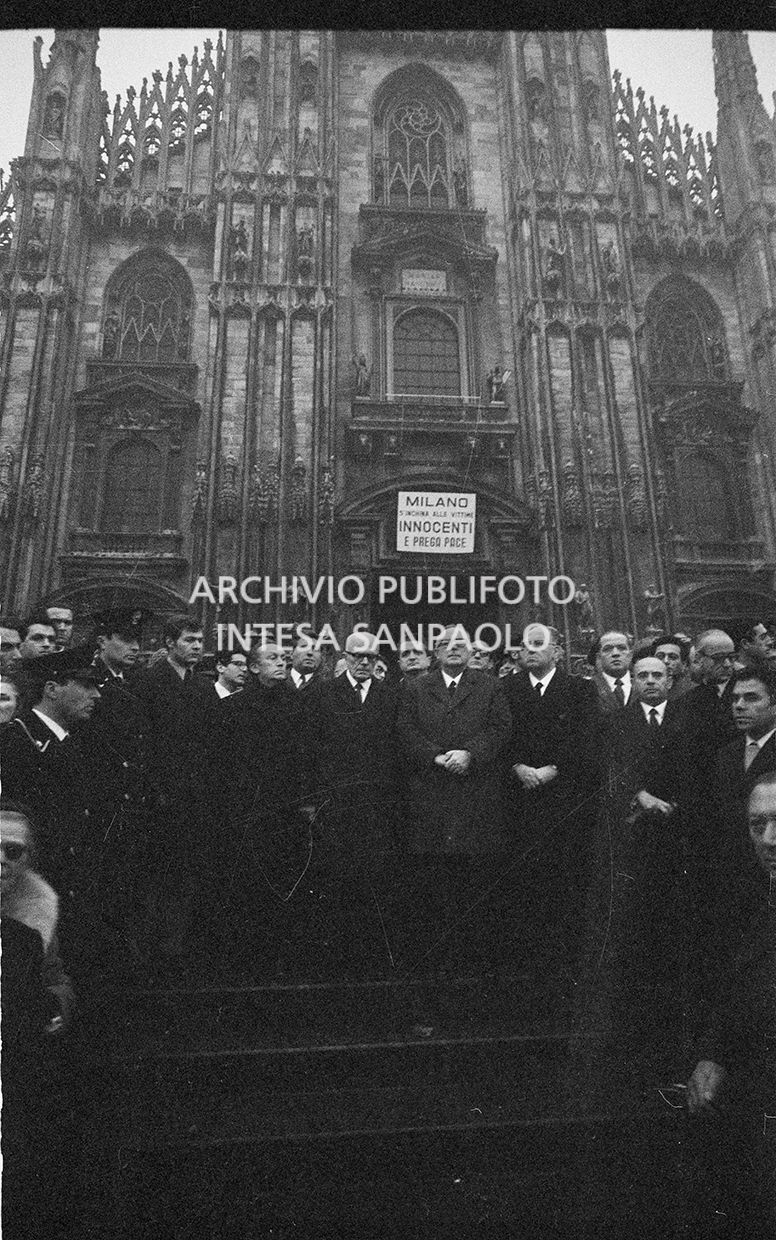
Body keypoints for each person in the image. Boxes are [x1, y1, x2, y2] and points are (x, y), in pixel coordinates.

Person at [684, 773, 776, 1239]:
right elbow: (745, 983)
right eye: (757, 824)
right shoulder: (757, 898)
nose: (769, 840)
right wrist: (713, 1051)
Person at [396, 625, 512, 972]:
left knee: (476, 884)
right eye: (445, 644)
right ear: (435, 652)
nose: (453, 649)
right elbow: (405, 729)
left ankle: (475, 964)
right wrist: (434, 756)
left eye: (460, 644)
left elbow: (500, 727)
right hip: (431, 795)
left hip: (476, 794)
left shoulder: (490, 685)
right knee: (434, 888)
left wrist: (470, 754)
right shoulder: (417, 688)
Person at [302, 631, 400, 977]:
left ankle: (370, 959)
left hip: (377, 805)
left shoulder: (391, 695)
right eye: (357, 656)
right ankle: (332, 959)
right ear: (344, 656)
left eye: (371, 657)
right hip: (335, 804)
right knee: (334, 880)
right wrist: (313, 801)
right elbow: (310, 750)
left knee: (375, 881)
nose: (364, 663)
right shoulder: (323, 693)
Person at [502, 622, 601, 959]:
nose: (529, 649)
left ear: (557, 651)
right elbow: (499, 737)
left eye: (538, 643)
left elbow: (586, 740)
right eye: (525, 644)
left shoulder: (579, 690)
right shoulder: (505, 688)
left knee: (565, 880)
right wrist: (517, 766)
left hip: (565, 797)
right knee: (522, 882)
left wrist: (552, 769)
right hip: (518, 797)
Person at [1, 800, 74, 1240]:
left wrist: (57, 1006)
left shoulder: (39, 902)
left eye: (14, 851)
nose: (3, 861)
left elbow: (55, 975)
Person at [130, 613, 217, 964]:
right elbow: (143, 743)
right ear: (169, 643)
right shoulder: (148, 683)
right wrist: (154, 789)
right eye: (188, 641)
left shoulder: (202, 686)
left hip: (194, 797)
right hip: (159, 796)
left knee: (186, 874)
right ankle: (146, 951)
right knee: (154, 876)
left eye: (200, 641)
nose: (196, 647)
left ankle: (174, 948)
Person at [682, 628, 739, 751]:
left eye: (732, 657)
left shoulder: (747, 689)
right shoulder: (688, 699)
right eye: (718, 658)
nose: (727, 664)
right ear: (698, 658)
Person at [589, 630, 633, 711]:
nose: (615, 653)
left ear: (630, 655)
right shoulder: (588, 688)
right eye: (607, 649)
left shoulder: (642, 684)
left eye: (621, 648)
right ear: (599, 657)